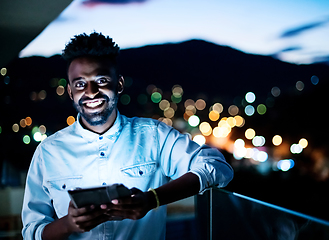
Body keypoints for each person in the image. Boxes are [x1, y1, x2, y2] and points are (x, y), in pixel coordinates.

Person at [21, 32, 233, 240]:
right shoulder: (48, 151)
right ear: (70, 91)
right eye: (80, 84)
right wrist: (67, 224)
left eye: (101, 80)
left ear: (119, 84)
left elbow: (217, 167)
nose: (91, 91)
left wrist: (153, 199)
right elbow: (31, 231)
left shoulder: (154, 136)